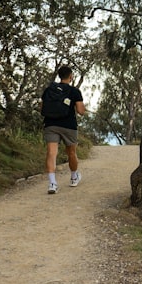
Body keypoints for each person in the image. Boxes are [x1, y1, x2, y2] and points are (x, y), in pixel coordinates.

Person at [41, 65, 86, 194]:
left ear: (59, 76)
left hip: (51, 124)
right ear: (71, 76)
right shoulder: (74, 91)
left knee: (51, 153)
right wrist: (83, 108)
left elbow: (42, 108)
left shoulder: (49, 89)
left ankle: (52, 184)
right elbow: (80, 111)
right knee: (71, 152)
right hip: (69, 125)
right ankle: (73, 177)